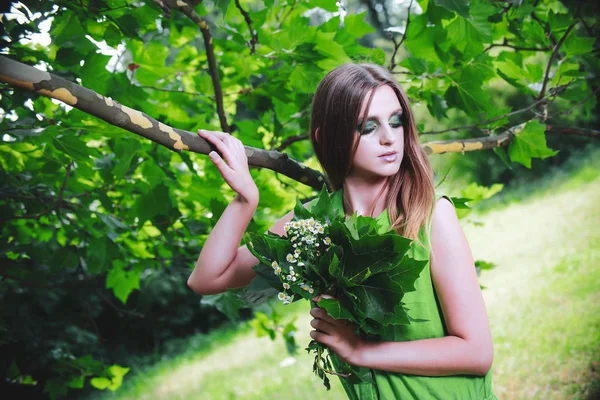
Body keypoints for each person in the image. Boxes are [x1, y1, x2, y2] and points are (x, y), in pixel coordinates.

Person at [187, 63, 497, 399]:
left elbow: (477, 353)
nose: (389, 137)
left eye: (397, 121)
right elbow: (207, 279)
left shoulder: (429, 216)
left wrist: (360, 351)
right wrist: (244, 201)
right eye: (367, 127)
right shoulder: (312, 225)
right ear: (327, 137)